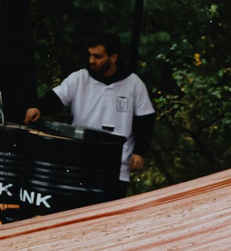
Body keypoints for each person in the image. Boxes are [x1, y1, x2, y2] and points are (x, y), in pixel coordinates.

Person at [28, 31, 156, 191]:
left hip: (116, 168)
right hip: (78, 162)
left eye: (97, 57)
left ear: (113, 57)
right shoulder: (80, 78)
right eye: (90, 55)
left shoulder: (134, 84)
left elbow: (146, 120)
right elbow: (57, 97)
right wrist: (38, 108)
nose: (91, 61)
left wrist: (139, 152)